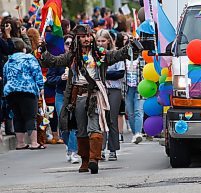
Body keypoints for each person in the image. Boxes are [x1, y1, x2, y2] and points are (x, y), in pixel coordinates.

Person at [39, 24, 138, 174]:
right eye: (82, 37)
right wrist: (43, 50)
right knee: (81, 129)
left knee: (94, 127)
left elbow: (117, 55)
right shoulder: (71, 56)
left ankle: (94, 159)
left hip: (95, 95)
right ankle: (84, 160)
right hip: (77, 96)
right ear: (77, 40)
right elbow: (54, 61)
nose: (86, 39)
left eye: (88, 36)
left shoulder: (100, 53)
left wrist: (131, 46)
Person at [3, 39, 45, 149]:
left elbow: (5, 77)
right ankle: (34, 143)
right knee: (30, 116)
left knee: (17, 117)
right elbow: (37, 72)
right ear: (24, 49)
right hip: (27, 89)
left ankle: (20, 143)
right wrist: (40, 86)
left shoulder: (8, 61)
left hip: (11, 92)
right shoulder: (29, 58)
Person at [96, 29, 125, 162]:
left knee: (112, 118)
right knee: (101, 119)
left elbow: (119, 73)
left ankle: (112, 149)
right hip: (100, 89)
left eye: (103, 41)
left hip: (113, 89)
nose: (101, 43)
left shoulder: (115, 54)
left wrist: (103, 74)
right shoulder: (94, 55)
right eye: (99, 41)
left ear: (109, 41)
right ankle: (100, 149)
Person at [52, 34, 79, 163]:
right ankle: (69, 147)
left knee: (73, 122)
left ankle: (74, 151)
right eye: (67, 43)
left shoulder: (79, 59)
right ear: (63, 46)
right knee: (63, 123)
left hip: (75, 94)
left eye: (71, 43)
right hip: (61, 94)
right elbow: (49, 79)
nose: (69, 46)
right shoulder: (59, 60)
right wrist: (60, 78)